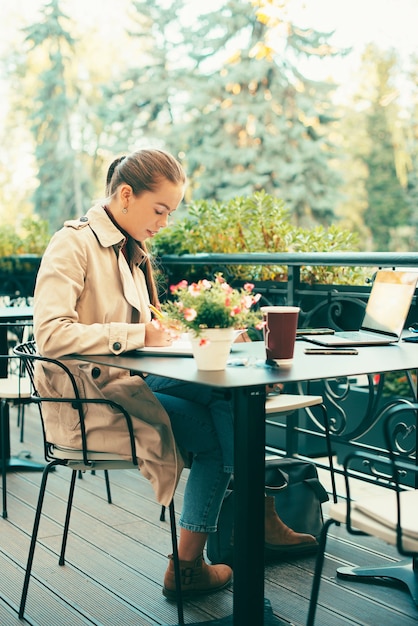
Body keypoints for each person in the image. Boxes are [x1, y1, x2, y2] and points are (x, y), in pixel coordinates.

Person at [33, 148, 316, 600]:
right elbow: (50, 334)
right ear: (126, 195)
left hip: (126, 382)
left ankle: (213, 546)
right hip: (90, 398)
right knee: (220, 422)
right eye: (159, 209)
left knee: (230, 393)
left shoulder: (131, 250)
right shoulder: (73, 243)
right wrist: (139, 332)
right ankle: (224, 538)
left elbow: (147, 333)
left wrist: (188, 332)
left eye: (171, 212)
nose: (164, 222)